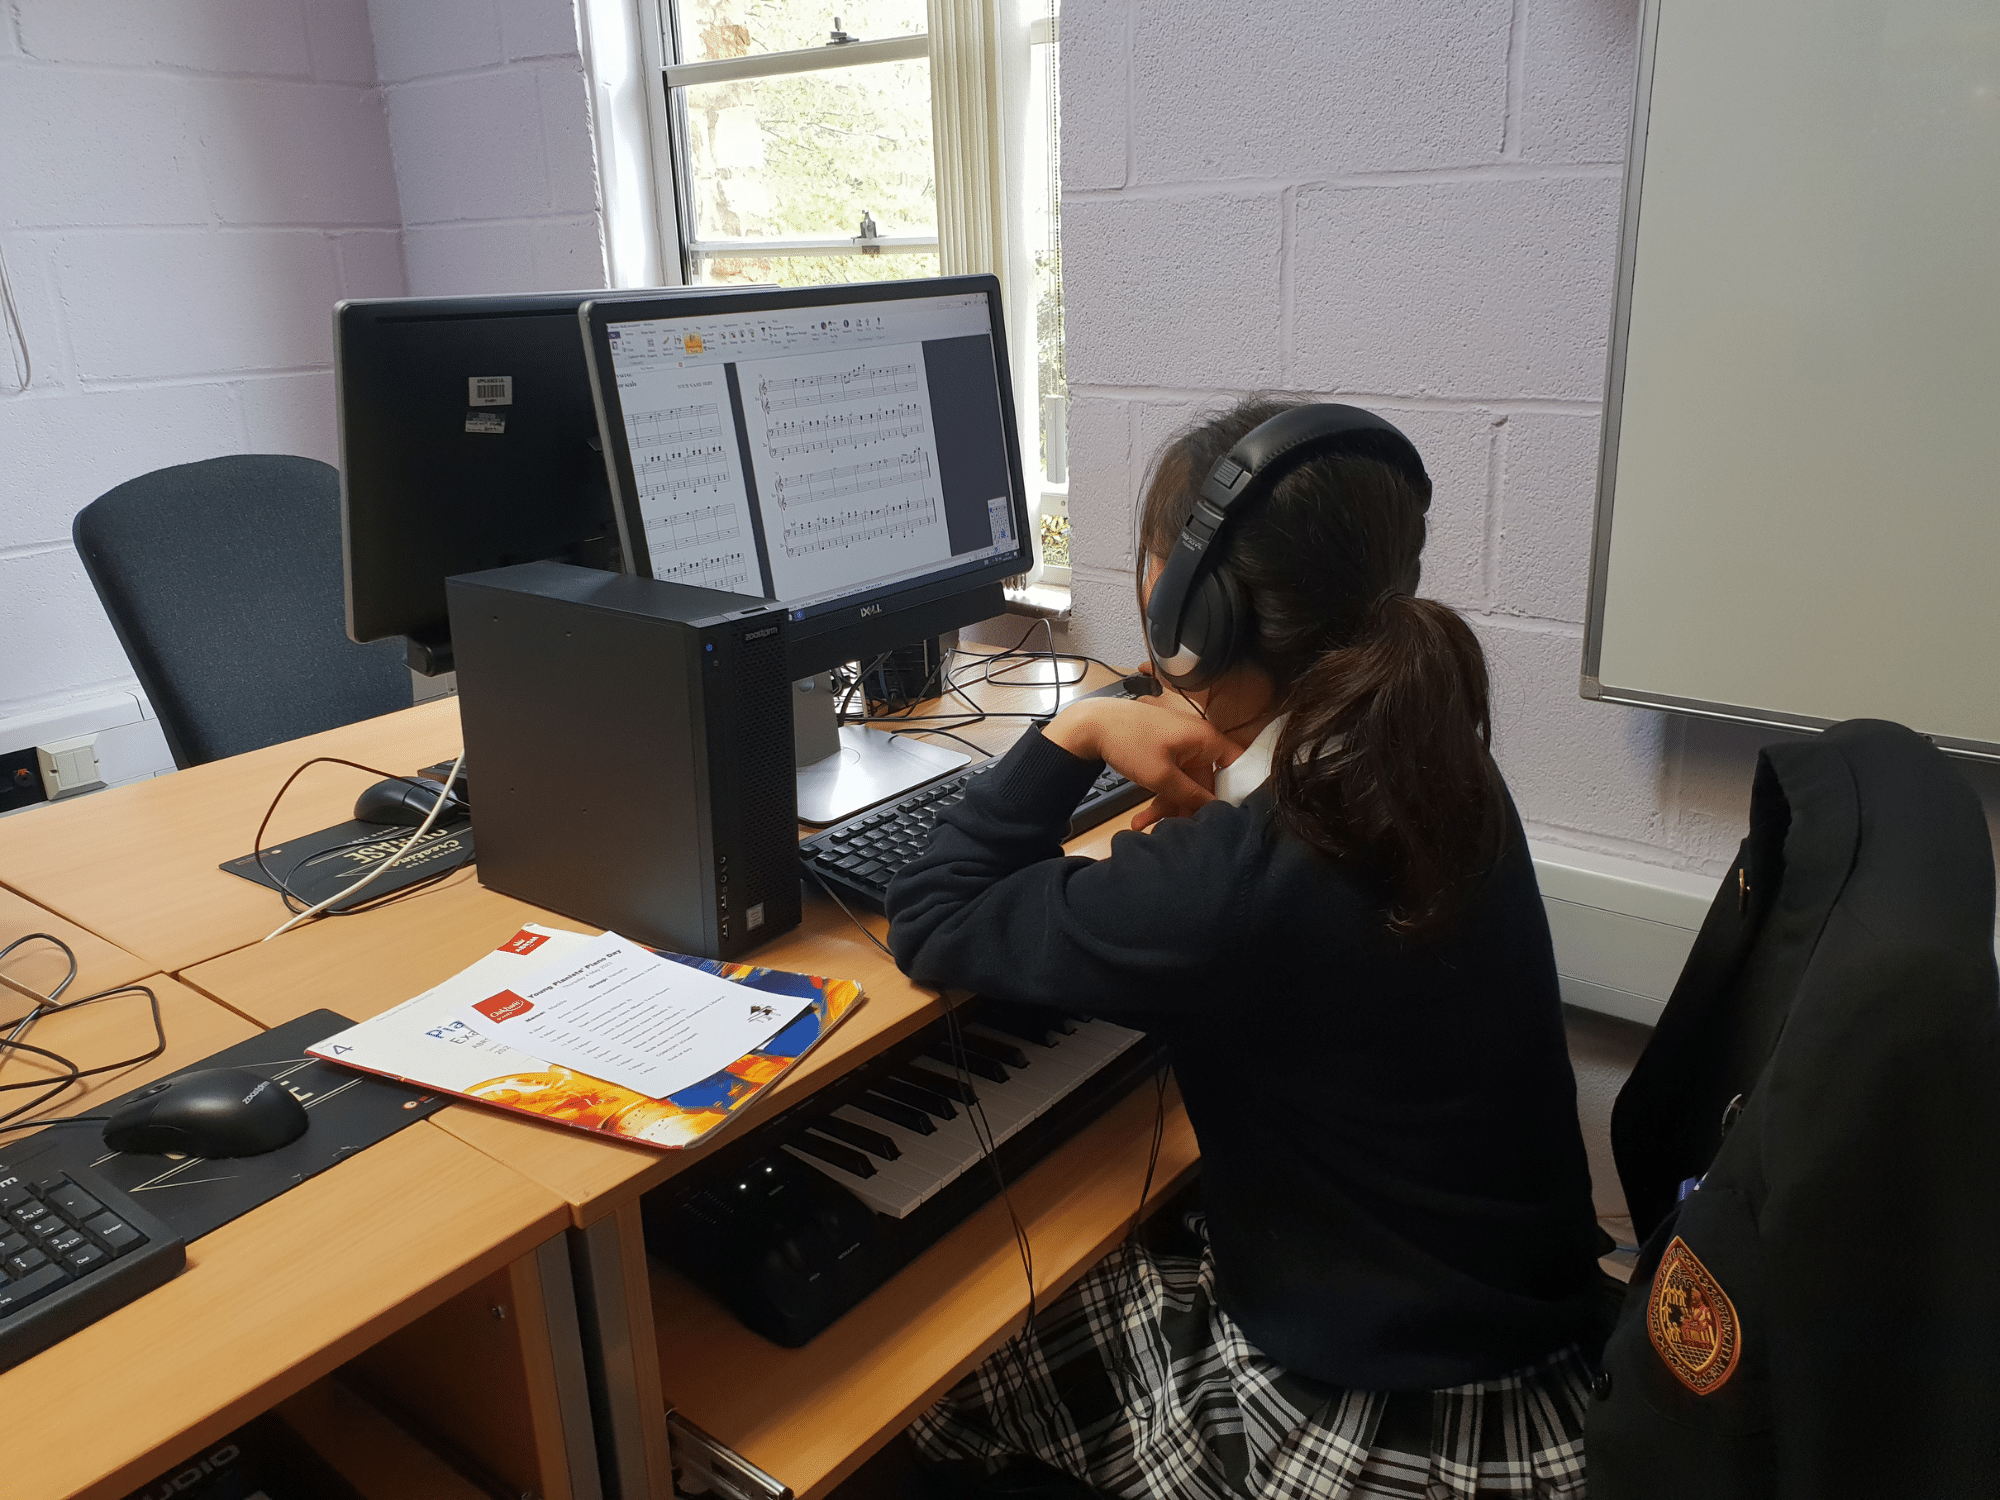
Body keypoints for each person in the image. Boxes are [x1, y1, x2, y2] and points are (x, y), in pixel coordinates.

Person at [883, 399, 1604, 1499]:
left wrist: (1073, 728)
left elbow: (931, 915)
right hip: (1512, 1329)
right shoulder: (1431, 757)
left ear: (1191, 615)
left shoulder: (1233, 887)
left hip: (1384, 1416)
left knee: (929, 1402)